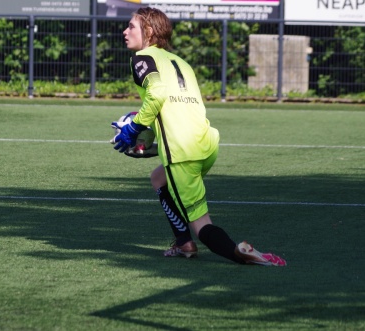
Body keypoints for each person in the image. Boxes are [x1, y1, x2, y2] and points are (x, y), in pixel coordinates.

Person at [113, 7, 286, 266]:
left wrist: (134, 128)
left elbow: (158, 94)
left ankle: (244, 254)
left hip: (182, 153)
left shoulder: (142, 58)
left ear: (148, 31)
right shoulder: (180, 62)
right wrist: (154, 144)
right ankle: (184, 244)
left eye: (131, 27)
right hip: (206, 143)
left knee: (202, 225)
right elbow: (178, 108)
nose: (125, 32)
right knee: (158, 178)